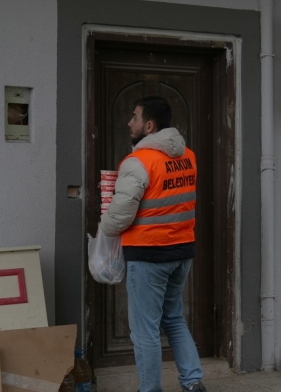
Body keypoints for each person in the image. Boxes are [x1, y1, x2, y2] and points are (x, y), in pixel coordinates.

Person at [99, 96, 206, 392]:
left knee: (144, 331)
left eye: (134, 117)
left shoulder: (138, 161)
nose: (129, 122)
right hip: (182, 251)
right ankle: (193, 382)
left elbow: (120, 216)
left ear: (148, 126)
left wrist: (104, 226)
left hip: (149, 256)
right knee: (174, 319)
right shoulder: (188, 156)